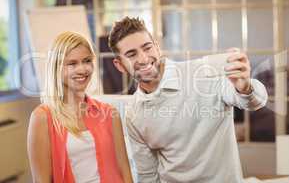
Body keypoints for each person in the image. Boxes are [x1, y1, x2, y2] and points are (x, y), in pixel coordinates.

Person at [109, 17, 268, 183]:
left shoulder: (203, 72)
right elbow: (147, 175)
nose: (143, 59)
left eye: (147, 48)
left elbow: (254, 102)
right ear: (119, 65)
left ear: (157, 47)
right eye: (131, 54)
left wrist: (245, 87)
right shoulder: (134, 113)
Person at [27, 31, 133, 183]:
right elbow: (41, 180)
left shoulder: (109, 113)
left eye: (87, 61)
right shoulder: (42, 117)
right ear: (56, 67)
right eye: (72, 63)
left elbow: (125, 173)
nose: (82, 69)